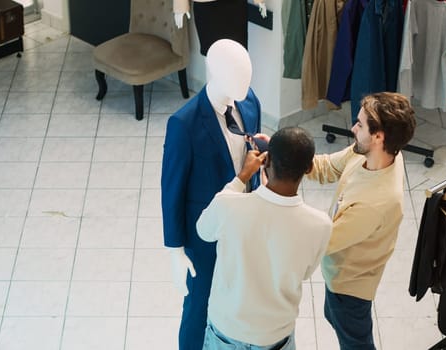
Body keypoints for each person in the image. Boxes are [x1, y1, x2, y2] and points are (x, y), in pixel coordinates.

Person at [161, 39, 262, 350]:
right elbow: (172, 190)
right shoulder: (183, 124)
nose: (244, 83)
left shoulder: (249, 102)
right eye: (237, 74)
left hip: (246, 225)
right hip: (205, 232)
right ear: (214, 73)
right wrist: (175, 250)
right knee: (198, 307)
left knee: (242, 298)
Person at [196, 127, 332, 350]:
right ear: (309, 168)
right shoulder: (321, 224)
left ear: (266, 162)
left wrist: (241, 178)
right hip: (275, 335)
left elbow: (203, 230)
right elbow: (306, 272)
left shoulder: (228, 205)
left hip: (227, 330)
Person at [307, 92, 416, 349]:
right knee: (335, 320)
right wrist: (286, 156)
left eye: (360, 124)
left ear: (379, 137)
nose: (353, 128)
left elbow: (322, 242)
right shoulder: (375, 154)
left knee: (356, 342)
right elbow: (328, 167)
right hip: (341, 273)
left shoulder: (376, 203)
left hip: (350, 288)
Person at [173, 0, 267, 55]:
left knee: (237, 54)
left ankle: (235, 88)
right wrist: (180, 6)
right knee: (213, 57)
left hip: (235, 5)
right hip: (207, 8)